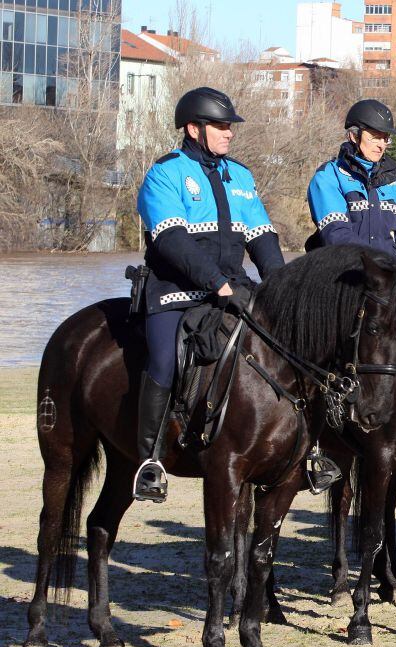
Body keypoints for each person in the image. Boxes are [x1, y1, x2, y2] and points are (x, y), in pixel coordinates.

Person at [134, 87, 285, 502]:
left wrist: (283, 288)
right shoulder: (165, 172)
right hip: (175, 291)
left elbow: (263, 236)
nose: (228, 133)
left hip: (234, 288)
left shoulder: (242, 176)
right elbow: (172, 241)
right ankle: (150, 460)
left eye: (229, 126)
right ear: (193, 128)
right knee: (166, 360)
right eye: (220, 126)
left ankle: (307, 449)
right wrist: (216, 283)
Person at [306, 99, 396, 258]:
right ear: (353, 136)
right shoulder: (329, 176)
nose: (381, 145)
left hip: (387, 274)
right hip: (344, 273)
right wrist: (378, 264)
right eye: (374, 137)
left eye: (385, 138)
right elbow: (337, 234)